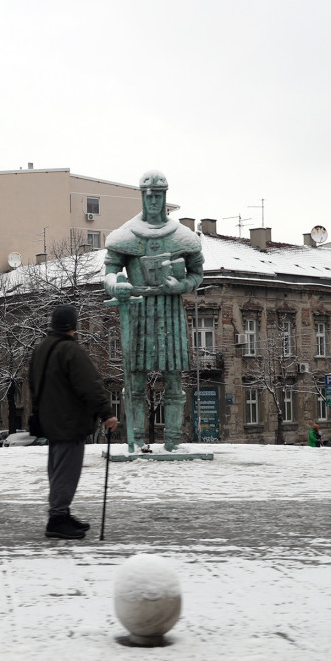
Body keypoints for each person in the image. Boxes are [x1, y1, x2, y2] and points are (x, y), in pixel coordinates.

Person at [104, 170, 205, 452]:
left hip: (170, 310)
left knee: (173, 377)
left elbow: (198, 273)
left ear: (164, 196)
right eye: (147, 195)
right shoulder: (125, 234)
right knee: (134, 377)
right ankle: (135, 439)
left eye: (157, 195)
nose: (152, 200)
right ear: (141, 196)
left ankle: (172, 439)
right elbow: (110, 271)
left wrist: (180, 285)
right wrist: (117, 287)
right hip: (136, 310)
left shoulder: (183, 236)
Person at [29, 305, 119, 540]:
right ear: (73, 325)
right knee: (66, 472)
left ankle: (61, 513)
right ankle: (57, 518)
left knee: (57, 470)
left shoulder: (41, 348)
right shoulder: (70, 350)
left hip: (50, 419)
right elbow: (90, 385)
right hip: (69, 421)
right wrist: (107, 413)